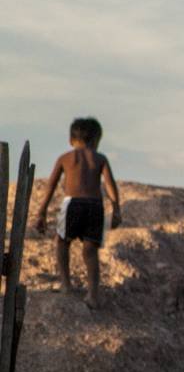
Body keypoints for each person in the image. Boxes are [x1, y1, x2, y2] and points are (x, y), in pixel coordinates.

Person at [33, 117, 122, 308]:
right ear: (96, 140)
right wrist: (116, 209)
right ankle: (93, 294)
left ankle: (66, 285)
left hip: (72, 203)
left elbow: (51, 186)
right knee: (90, 250)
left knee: (62, 242)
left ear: (71, 139)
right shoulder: (100, 158)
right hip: (95, 206)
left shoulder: (66, 158)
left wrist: (42, 212)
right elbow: (109, 185)